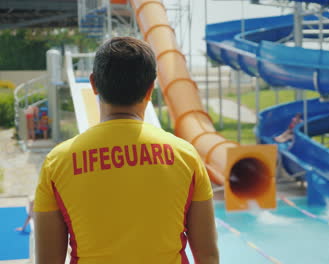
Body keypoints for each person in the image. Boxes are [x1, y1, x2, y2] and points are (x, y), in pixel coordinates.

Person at [34, 37, 219, 264]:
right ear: (151, 89)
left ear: (93, 84)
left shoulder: (58, 162)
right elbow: (207, 255)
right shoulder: (185, 156)